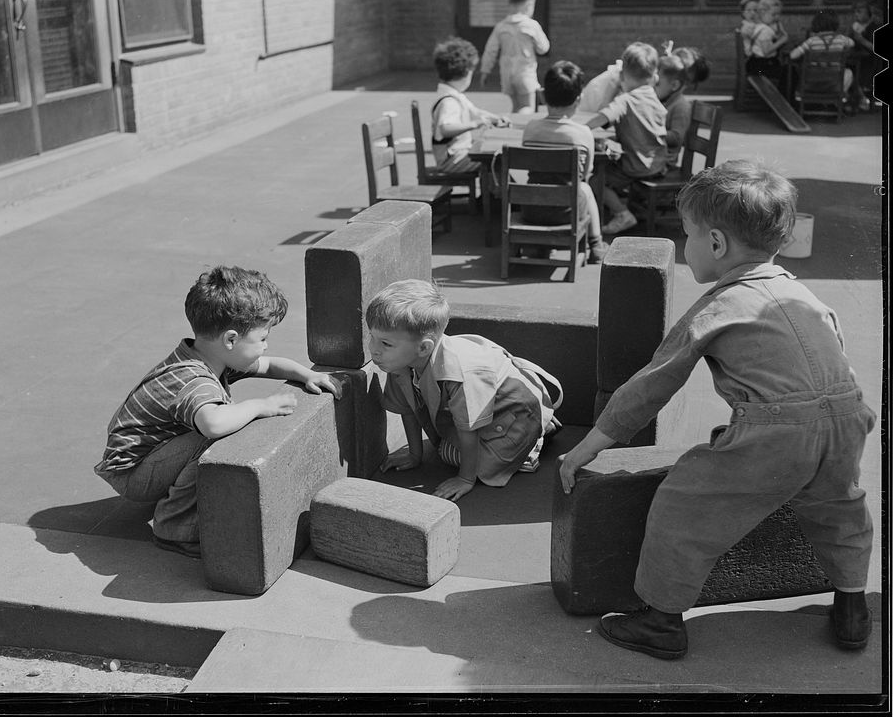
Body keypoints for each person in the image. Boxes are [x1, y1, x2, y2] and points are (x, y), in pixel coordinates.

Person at [558, 160, 876, 659]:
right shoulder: (803, 294)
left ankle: (661, 622)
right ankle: (853, 606)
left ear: (716, 244)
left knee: (684, 505)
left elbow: (650, 386)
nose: (686, 247)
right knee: (840, 509)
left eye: (687, 235)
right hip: (848, 416)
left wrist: (587, 447)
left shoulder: (718, 306)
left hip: (776, 432)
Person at [94, 265, 342, 558]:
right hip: (132, 474)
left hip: (146, 456)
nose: (266, 346)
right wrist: (259, 406)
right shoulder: (195, 379)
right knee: (215, 433)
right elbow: (212, 424)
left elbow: (269, 365)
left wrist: (306, 375)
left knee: (225, 421)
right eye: (262, 338)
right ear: (231, 339)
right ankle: (174, 528)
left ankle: (175, 490)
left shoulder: (212, 355)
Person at [367, 279, 563, 502]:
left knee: (447, 454)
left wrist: (466, 479)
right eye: (371, 337)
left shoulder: (461, 373)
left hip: (516, 411)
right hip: (489, 411)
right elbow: (408, 408)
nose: (373, 349)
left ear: (424, 348)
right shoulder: (399, 362)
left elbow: (469, 427)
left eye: (385, 343)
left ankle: (535, 438)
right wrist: (415, 454)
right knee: (443, 445)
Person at [520, 59, 609, 263]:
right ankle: (596, 244)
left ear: (542, 95)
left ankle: (539, 244)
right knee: (584, 187)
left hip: (531, 207)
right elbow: (586, 173)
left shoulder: (531, 128)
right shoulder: (583, 133)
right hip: (566, 212)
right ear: (579, 99)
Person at [584, 42, 668, 234]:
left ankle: (622, 213)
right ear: (653, 75)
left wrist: (580, 128)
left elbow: (603, 116)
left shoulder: (626, 100)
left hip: (636, 165)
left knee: (596, 179)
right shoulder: (652, 96)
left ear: (622, 75)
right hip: (658, 163)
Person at [431, 36, 511, 176]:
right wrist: (475, 124)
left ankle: (492, 195)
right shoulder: (449, 102)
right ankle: (495, 197)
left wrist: (495, 118)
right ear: (467, 74)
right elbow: (445, 128)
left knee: (490, 156)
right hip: (452, 160)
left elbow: (475, 112)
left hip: (459, 155)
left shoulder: (454, 95)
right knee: (494, 161)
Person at [478, 0, 551, 114]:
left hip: (507, 75)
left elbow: (490, 51)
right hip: (525, 74)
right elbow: (543, 48)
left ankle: (513, 130)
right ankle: (521, 128)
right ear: (528, 5)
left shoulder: (500, 26)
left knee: (516, 107)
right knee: (528, 107)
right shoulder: (532, 25)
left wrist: (485, 71)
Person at [789, 10, 855, 98]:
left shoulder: (811, 41)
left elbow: (793, 56)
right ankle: (838, 95)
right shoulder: (841, 39)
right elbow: (852, 43)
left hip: (812, 83)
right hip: (834, 83)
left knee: (801, 69)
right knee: (849, 72)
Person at [654, 54, 692, 167]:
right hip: (652, 157)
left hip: (664, 163)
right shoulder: (663, 101)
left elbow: (676, 137)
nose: (652, 88)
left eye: (657, 84)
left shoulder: (681, 106)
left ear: (674, 85)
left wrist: (649, 132)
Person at [747, 0, 789, 89]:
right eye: (773, 15)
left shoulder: (761, 27)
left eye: (778, 14)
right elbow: (766, 51)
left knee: (785, 70)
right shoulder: (765, 30)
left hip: (755, 64)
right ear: (762, 13)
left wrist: (779, 32)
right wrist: (782, 40)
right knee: (790, 72)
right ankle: (784, 99)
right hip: (761, 65)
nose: (777, 18)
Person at [847, 0, 882, 109]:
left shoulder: (874, 26)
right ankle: (855, 99)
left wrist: (861, 39)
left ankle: (860, 99)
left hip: (871, 62)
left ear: (868, 13)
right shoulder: (855, 26)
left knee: (851, 71)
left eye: (859, 12)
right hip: (856, 59)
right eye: (855, 12)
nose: (856, 15)